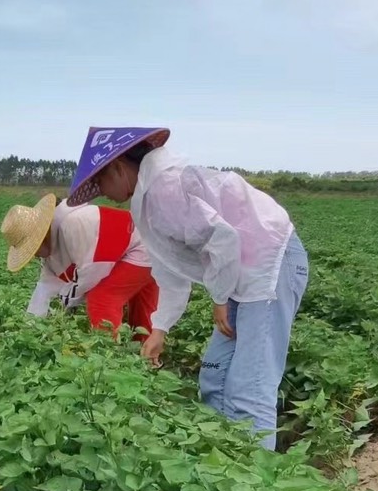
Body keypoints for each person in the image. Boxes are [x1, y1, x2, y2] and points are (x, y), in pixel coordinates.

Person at [67, 127, 309, 449]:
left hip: (269, 267)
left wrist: (220, 297)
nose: (104, 193)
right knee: (216, 376)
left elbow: (224, 239)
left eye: (102, 183)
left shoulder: (164, 189)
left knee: (248, 388)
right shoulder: (148, 198)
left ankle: (258, 486)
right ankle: (223, 462)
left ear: (118, 168)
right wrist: (159, 329)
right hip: (242, 273)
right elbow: (170, 272)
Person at [0, 191, 158, 335]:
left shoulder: (74, 224)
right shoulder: (52, 244)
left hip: (146, 247)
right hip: (142, 245)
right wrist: (31, 324)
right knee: (142, 314)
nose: (33, 255)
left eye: (32, 248)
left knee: (101, 299)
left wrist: (67, 302)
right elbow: (46, 286)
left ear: (42, 236)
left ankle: (108, 357)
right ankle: (147, 359)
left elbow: (93, 271)